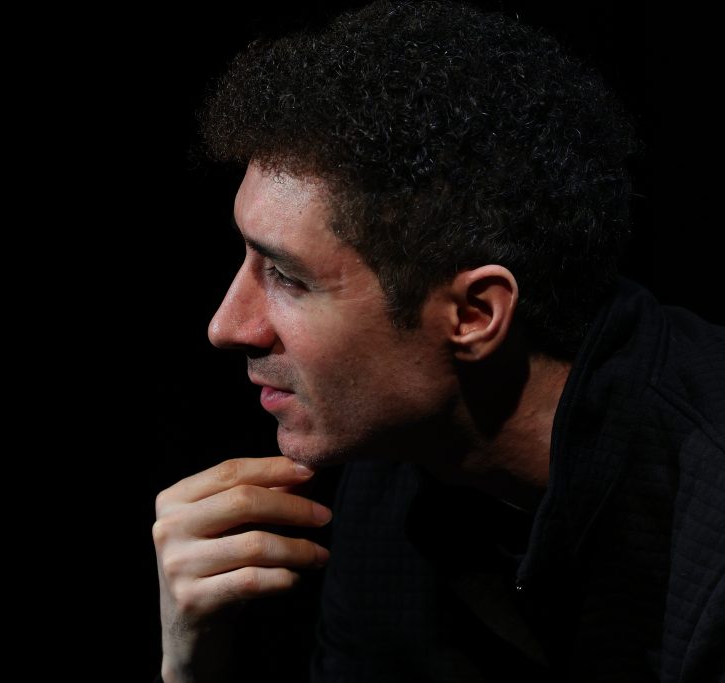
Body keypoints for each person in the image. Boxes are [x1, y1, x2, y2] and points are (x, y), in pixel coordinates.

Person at [151, 1, 725, 681]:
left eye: (286, 276)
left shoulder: (707, 527)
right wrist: (193, 665)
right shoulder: (394, 466)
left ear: (475, 314)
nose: (226, 326)